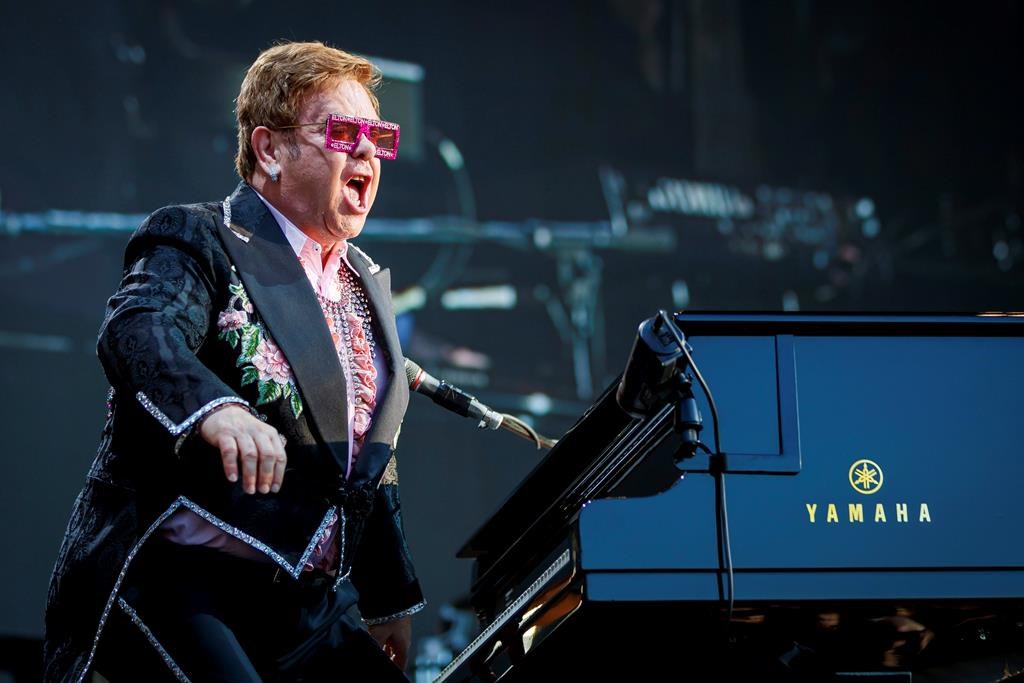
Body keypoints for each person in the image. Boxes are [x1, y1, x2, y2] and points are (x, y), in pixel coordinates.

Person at [43, 41, 424, 682]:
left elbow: (361, 461)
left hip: (306, 602)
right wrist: (213, 410)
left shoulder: (363, 283)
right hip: (182, 586)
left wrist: (388, 594)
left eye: (377, 138)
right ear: (270, 149)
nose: (366, 152)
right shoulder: (202, 237)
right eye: (342, 132)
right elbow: (138, 326)